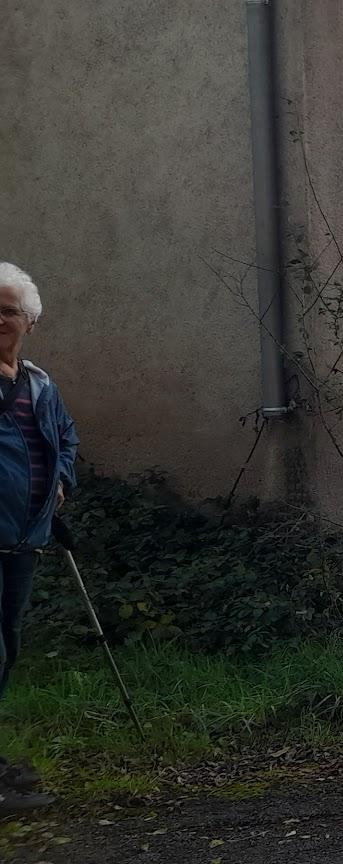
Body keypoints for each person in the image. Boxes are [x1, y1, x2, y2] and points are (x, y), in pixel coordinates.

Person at [0, 262, 75, 815]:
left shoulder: (40, 383)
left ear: (30, 322)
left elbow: (65, 438)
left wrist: (63, 480)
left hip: (25, 540)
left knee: (8, 647)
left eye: (7, 310)